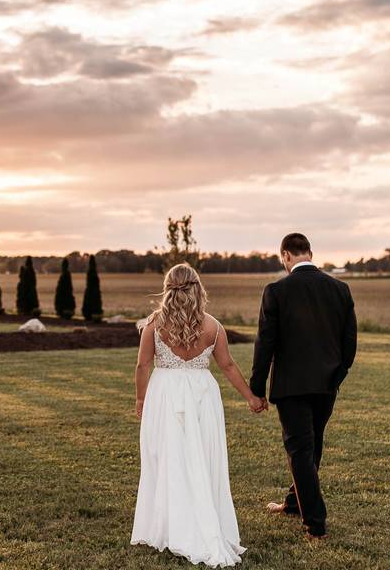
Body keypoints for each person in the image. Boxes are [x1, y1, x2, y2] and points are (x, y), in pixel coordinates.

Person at [131, 263, 264, 567]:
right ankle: (200, 520)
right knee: (201, 458)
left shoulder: (153, 324)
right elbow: (228, 366)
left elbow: (142, 365)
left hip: (165, 394)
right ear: (198, 288)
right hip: (202, 394)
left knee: (166, 458)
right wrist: (251, 398)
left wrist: (141, 398)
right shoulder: (213, 326)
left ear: (168, 289)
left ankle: (170, 525)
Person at [250, 232, 357, 540]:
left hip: (292, 386)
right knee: (313, 444)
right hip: (327, 384)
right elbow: (350, 341)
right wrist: (338, 375)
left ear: (285, 256)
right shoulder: (340, 288)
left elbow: (265, 343)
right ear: (309, 252)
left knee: (300, 449)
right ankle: (294, 503)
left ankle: (315, 522)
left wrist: (257, 386)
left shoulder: (276, 291)